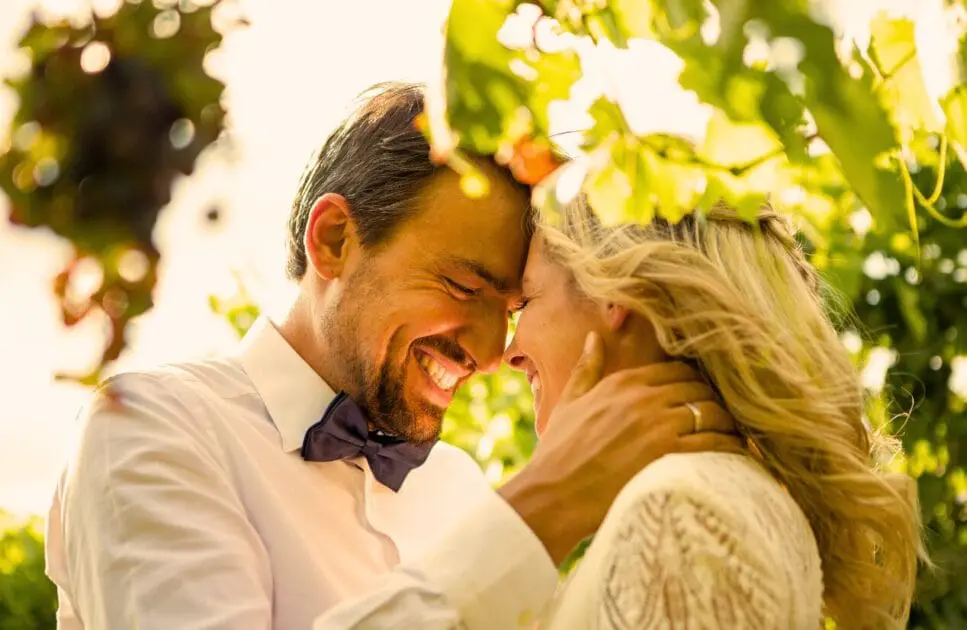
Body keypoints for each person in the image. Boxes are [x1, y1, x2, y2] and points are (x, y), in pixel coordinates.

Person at [44, 83, 738, 629]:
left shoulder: (461, 491)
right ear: (336, 240)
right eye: (463, 285)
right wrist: (542, 507)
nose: (493, 352)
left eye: (512, 308)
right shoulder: (148, 430)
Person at [316, 196, 928, 630]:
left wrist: (542, 501)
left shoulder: (681, 515)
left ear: (617, 297)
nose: (507, 353)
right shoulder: (704, 498)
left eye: (524, 301)